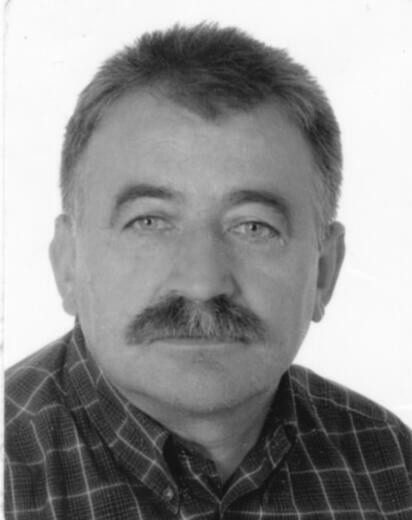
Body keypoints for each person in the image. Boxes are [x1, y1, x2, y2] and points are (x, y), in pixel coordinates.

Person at [5, 22, 412, 519]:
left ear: (324, 272)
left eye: (254, 227)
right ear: (67, 261)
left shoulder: (391, 463)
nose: (201, 284)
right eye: (149, 222)